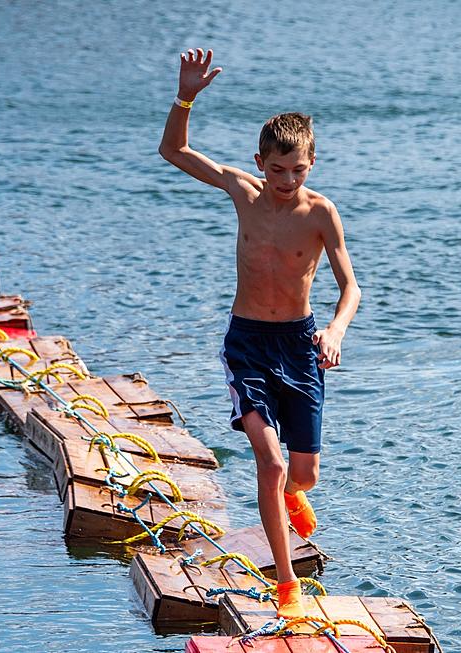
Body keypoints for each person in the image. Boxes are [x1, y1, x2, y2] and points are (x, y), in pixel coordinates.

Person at [158, 48, 361, 618]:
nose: (286, 181)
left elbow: (351, 287)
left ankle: (296, 495)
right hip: (246, 343)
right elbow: (172, 150)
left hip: (301, 346)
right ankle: (287, 584)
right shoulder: (243, 193)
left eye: (298, 170)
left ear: (312, 163)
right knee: (268, 464)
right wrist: (186, 97)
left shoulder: (321, 214)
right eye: (277, 170)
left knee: (303, 474)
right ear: (260, 163)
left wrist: (337, 330)